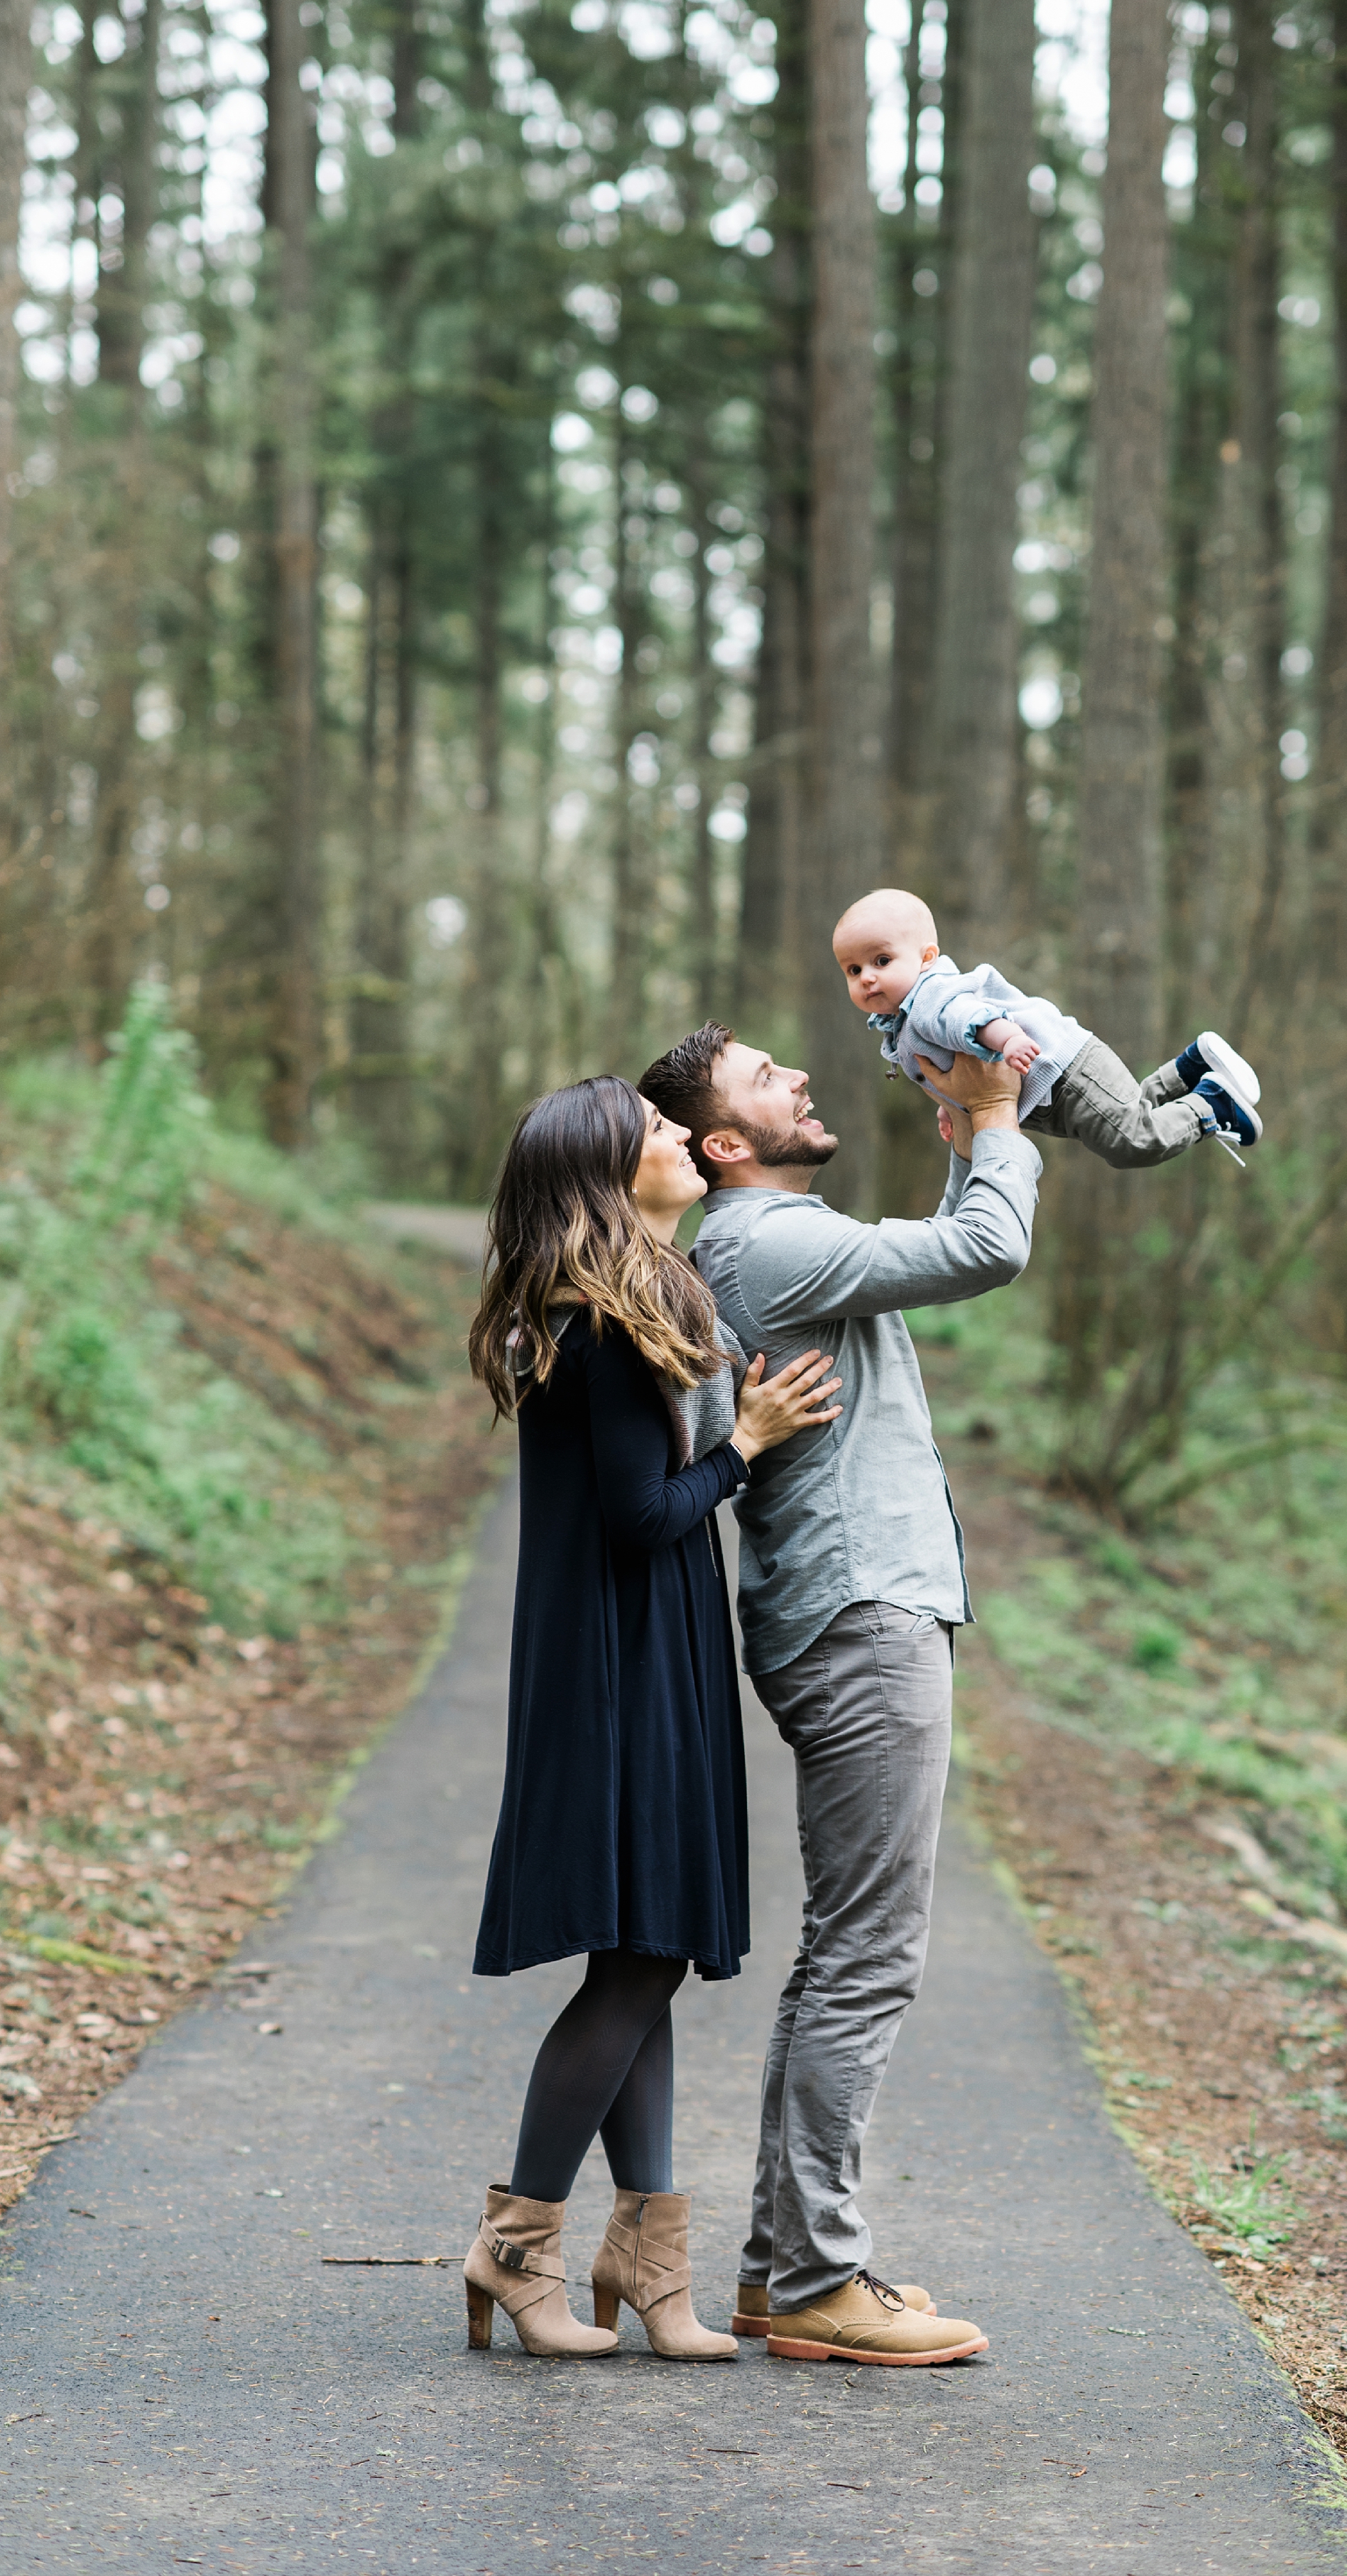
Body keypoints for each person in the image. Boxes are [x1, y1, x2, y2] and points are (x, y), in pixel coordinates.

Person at [636, 1021, 1037, 2367]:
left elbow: (922, 1252)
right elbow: (987, 1249)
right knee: (869, 1954)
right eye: (765, 1079)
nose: (802, 1074)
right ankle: (817, 2280)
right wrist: (995, 1122)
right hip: (863, 1615)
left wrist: (969, 1146)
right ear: (727, 1144)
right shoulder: (763, 1241)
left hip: (853, 1608)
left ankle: (780, 2269)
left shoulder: (765, 1243)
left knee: (843, 1952)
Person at [462, 1075, 842, 2362]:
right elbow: (645, 1516)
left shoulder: (615, 1306)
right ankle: (516, 2246)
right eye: (663, 1135)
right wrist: (753, 1440)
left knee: (650, 1945)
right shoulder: (607, 1319)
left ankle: (651, 2262)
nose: (687, 1139)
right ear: (613, 1177)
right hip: (624, 1660)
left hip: (629, 1652)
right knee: (637, 1955)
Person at [833, 884, 1263, 1165]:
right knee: (1131, 1117)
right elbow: (948, 1060)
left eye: (882, 961)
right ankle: (1189, 1069)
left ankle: (1213, 1105)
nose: (867, 977)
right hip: (1050, 1088)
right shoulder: (903, 1019)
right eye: (853, 970)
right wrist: (950, 1107)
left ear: (926, 958)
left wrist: (1008, 1040)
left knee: (1133, 1143)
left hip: (1062, 1072)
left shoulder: (929, 997)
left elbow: (969, 1019)